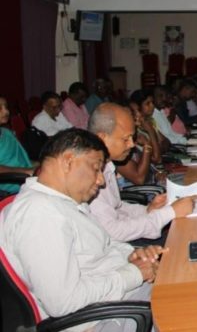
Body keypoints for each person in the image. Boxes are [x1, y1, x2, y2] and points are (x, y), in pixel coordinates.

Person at [0, 129, 159, 328]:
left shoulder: (65, 202)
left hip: (123, 298)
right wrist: (134, 273)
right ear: (68, 161)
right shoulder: (39, 214)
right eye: (96, 168)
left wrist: (132, 255)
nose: (101, 180)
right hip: (105, 318)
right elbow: (63, 302)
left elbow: (105, 245)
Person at [88, 103, 196, 243]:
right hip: (115, 246)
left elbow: (117, 207)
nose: (132, 144)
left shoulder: (108, 165)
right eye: (125, 139)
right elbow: (114, 232)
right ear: (102, 138)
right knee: (186, 238)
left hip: (122, 238)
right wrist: (170, 213)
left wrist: (147, 210)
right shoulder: (88, 175)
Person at [0, 96, 34, 194]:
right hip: (7, 182)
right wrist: (25, 171)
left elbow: (21, 159)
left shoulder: (7, 133)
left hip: (25, 174)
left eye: (6, 107)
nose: (6, 111)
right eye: (0, 108)